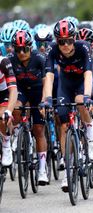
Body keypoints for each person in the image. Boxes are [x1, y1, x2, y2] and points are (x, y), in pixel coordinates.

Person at [42, 19, 93, 191]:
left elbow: (89, 74)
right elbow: (50, 76)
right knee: (64, 123)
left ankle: (90, 130)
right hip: (66, 84)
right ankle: (68, 171)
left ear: (74, 39)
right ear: (56, 41)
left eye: (69, 40)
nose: (65, 45)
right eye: (61, 41)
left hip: (83, 81)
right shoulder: (52, 49)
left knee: (81, 101)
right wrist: (46, 99)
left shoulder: (83, 47)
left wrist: (88, 96)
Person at [9, 30, 49, 185]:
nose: (21, 53)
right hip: (20, 91)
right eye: (17, 49)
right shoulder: (11, 60)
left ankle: (42, 169)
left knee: (39, 130)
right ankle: (18, 131)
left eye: (24, 49)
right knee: (16, 108)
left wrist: (45, 101)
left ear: (30, 47)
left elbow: (47, 82)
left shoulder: (39, 58)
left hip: (38, 92)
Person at [0, 56, 18, 167]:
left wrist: (9, 111)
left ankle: (6, 143)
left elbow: (13, 90)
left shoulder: (3, 62)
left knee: (2, 117)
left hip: (3, 93)